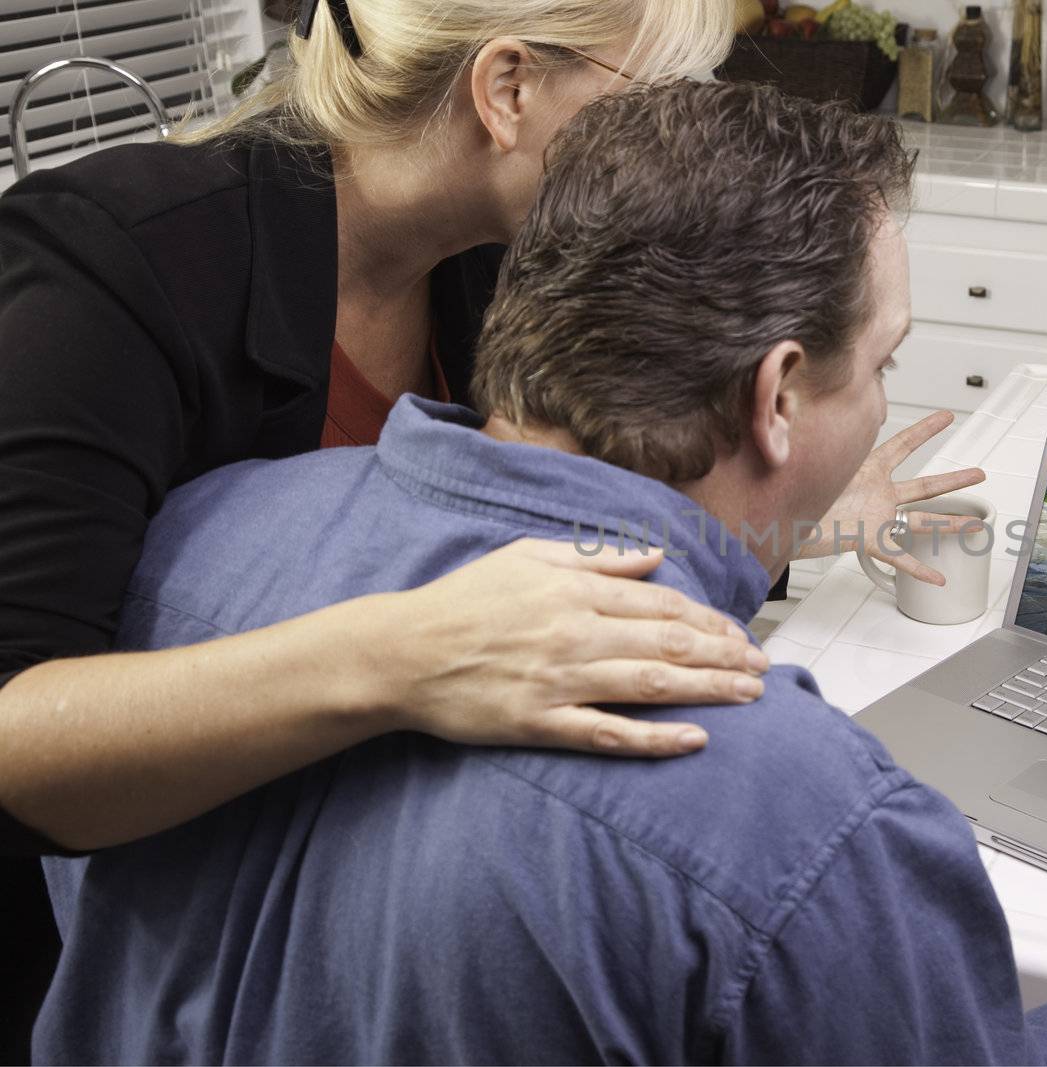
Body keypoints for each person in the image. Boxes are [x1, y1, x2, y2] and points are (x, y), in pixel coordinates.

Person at [36, 80, 1047, 1065]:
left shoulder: (200, 537)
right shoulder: (801, 815)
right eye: (881, 365)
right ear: (776, 396)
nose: (883, 401)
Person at [0, 0, 978, 1047]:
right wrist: (407, 650)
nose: (677, 141)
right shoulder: (113, 270)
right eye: (652, 97)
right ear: (506, 88)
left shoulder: (495, 257)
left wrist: (795, 508)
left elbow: (554, 485)